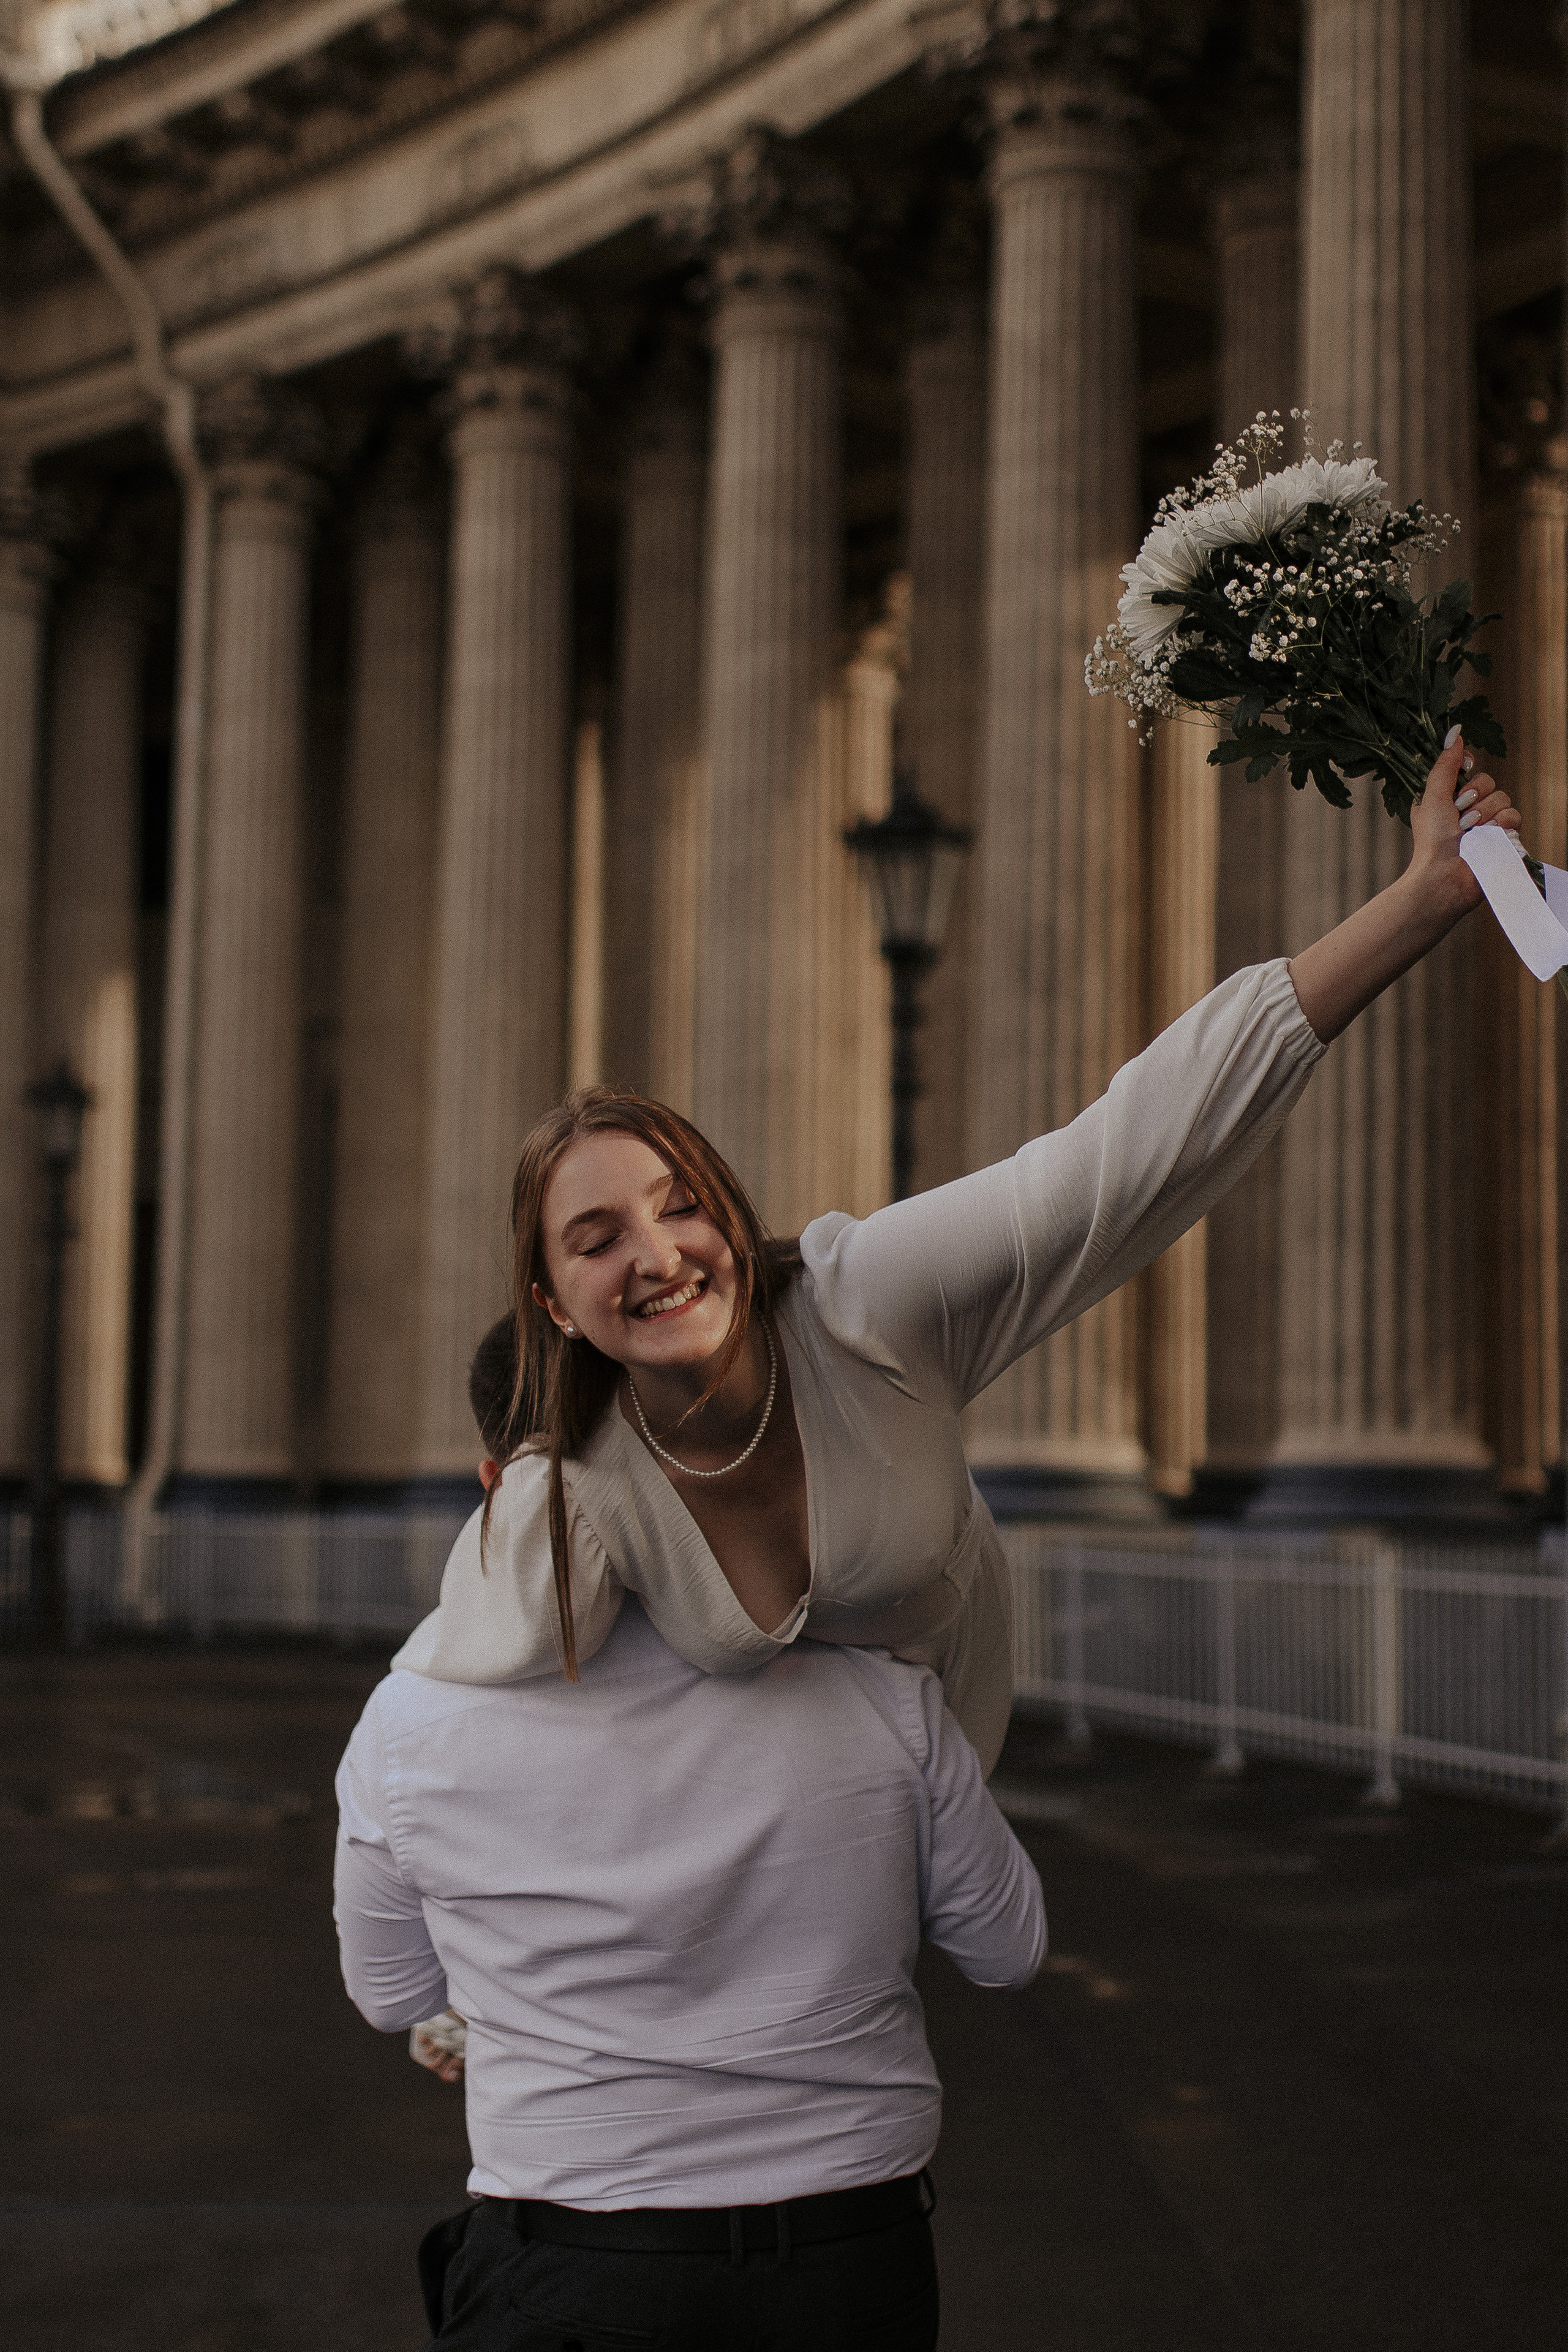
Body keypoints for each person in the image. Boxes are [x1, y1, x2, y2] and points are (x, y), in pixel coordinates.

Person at [391, 734, 1520, 1776]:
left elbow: (1115, 1161)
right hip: (787, 1865)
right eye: (597, 1241)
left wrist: (1421, 902)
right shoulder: (577, 1476)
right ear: (550, 1303)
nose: (655, 1254)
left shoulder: (865, 1304)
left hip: (940, 1810)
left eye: (681, 1206)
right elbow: (456, 1707)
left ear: (733, 1218)